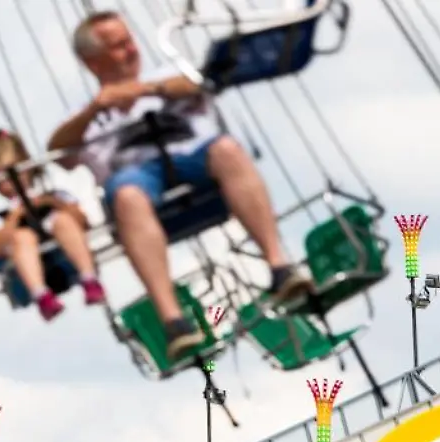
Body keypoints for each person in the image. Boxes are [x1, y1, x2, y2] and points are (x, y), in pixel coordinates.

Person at [47, 11, 313, 360]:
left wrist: (145, 89)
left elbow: (198, 83)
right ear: (92, 61)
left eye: (129, 40)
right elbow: (57, 151)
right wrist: (97, 107)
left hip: (194, 156)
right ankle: (173, 321)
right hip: (136, 176)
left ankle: (280, 267)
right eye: (117, 46)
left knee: (228, 149)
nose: (130, 50)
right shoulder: (87, 112)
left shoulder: (167, 75)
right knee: (127, 196)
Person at [0, 129, 106, 321]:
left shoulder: (54, 197)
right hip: (22, 270)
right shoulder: (1, 218)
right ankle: (41, 295)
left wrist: (53, 204)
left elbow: (82, 221)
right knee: (23, 238)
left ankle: (89, 278)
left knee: (63, 221)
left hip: (61, 257)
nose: (9, 183)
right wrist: (16, 216)